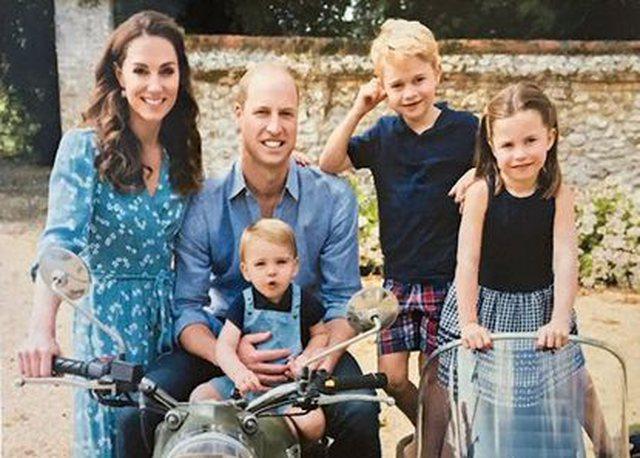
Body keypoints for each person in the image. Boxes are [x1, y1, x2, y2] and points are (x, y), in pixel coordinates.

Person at [116, 61, 382, 458]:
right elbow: (187, 309)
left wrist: (315, 362)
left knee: (360, 411)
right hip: (220, 343)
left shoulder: (333, 198)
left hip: (306, 347)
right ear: (239, 114)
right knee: (136, 410)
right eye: (262, 112)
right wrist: (231, 357)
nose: (275, 127)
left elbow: (342, 300)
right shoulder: (203, 201)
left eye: (286, 114)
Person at [17, 10, 202, 458]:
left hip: (168, 326)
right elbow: (60, 242)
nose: (155, 85)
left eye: (166, 71)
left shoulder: (182, 152)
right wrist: (42, 329)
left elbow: (201, 236)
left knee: (170, 443)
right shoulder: (84, 148)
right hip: (108, 326)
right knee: (110, 444)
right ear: (119, 75)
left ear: (180, 76)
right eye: (141, 71)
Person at [435, 81, 613, 456]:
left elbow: (565, 257)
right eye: (508, 145)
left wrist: (560, 318)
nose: (519, 154)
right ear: (492, 145)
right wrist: (469, 322)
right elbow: (467, 261)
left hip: (541, 306)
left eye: (530, 141)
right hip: (485, 307)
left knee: (575, 381)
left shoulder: (557, 192)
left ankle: (609, 448)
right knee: (467, 395)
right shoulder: (482, 191)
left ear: (551, 137)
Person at [319, 18, 478, 428]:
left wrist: (477, 174)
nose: (409, 93)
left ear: (437, 73)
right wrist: (360, 107)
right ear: (383, 88)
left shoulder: (465, 129)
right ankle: (433, 438)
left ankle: (432, 448)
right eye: (397, 85)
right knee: (391, 378)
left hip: (447, 279)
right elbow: (329, 163)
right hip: (398, 281)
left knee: (435, 379)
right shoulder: (383, 134)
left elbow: (501, 166)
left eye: (419, 80)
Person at [190, 218, 327, 443]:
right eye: (260, 264)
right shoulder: (243, 303)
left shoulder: (304, 301)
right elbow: (224, 346)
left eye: (281, 262)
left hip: (286, 389)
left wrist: (308, 358)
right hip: (245, 384)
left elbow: (321, 334)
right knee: (200, 396)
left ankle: (284, 436)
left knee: (314, 424)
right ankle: (220, 438)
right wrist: (238, 373)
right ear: (246, 270)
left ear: (295, 266)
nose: (271, 271)